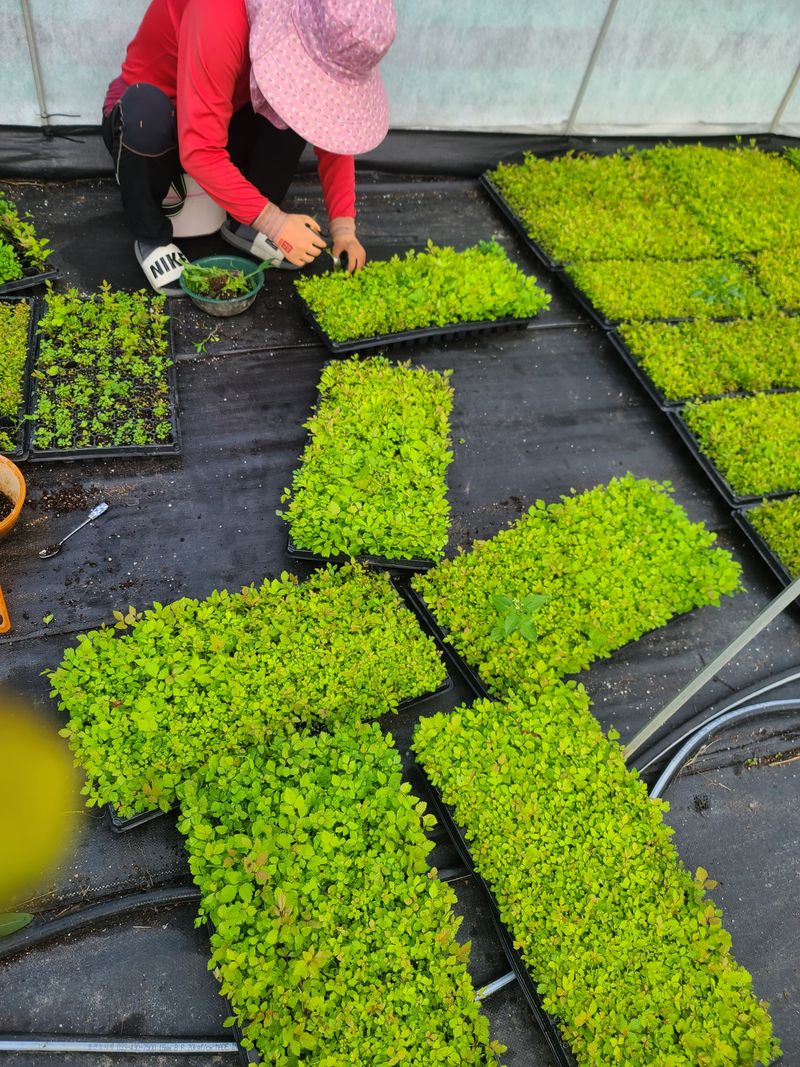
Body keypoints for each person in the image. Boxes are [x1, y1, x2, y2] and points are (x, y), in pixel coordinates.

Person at [102, 0, 396, 294]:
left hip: (220, 109)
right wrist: (276, 223)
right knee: (145, 115)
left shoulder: (310, 17)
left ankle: (246, 221)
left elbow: (331, 119)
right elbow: (200, 150)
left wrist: (344, 226)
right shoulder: (217, 11)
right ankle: (151, 236)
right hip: (154, 117)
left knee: (298, 108)